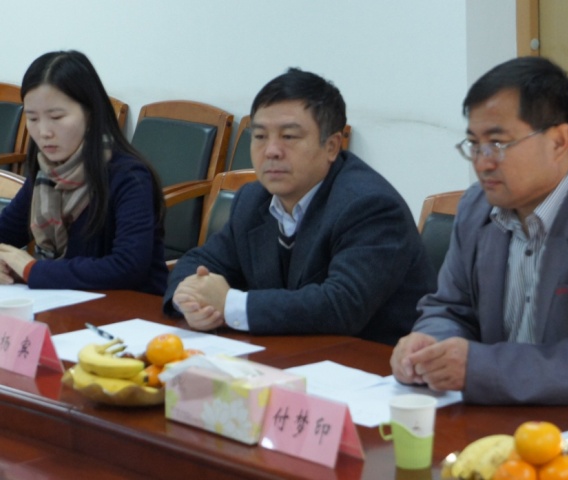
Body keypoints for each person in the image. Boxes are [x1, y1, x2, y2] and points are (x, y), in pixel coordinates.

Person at [391, 56, 568, 404]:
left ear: (559, 141)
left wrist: (477, 368)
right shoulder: (477, 206)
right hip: (490, 415)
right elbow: (449, 307)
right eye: (474, 145)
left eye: (498, 144)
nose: (482, 162)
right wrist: (431, 346)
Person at [164, 67, 428, 345]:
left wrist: (230, 304)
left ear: (331, 146)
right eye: (260, 136)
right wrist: (190, 299)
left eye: (289, 136)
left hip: (372, 361)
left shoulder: (370, 206)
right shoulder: (252, 199)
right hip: (284, 352)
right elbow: (199, 262)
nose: (271, 150)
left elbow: (342, 305)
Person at [0, 50, 168, 294]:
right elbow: (5, 233)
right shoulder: (47, 172)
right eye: (33, 119)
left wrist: (32, 270)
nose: (44, 132)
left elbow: (128, 266)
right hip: (64, 303)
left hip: (130, 308)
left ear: (90, 113)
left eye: (56, 117)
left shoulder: (129, 176)